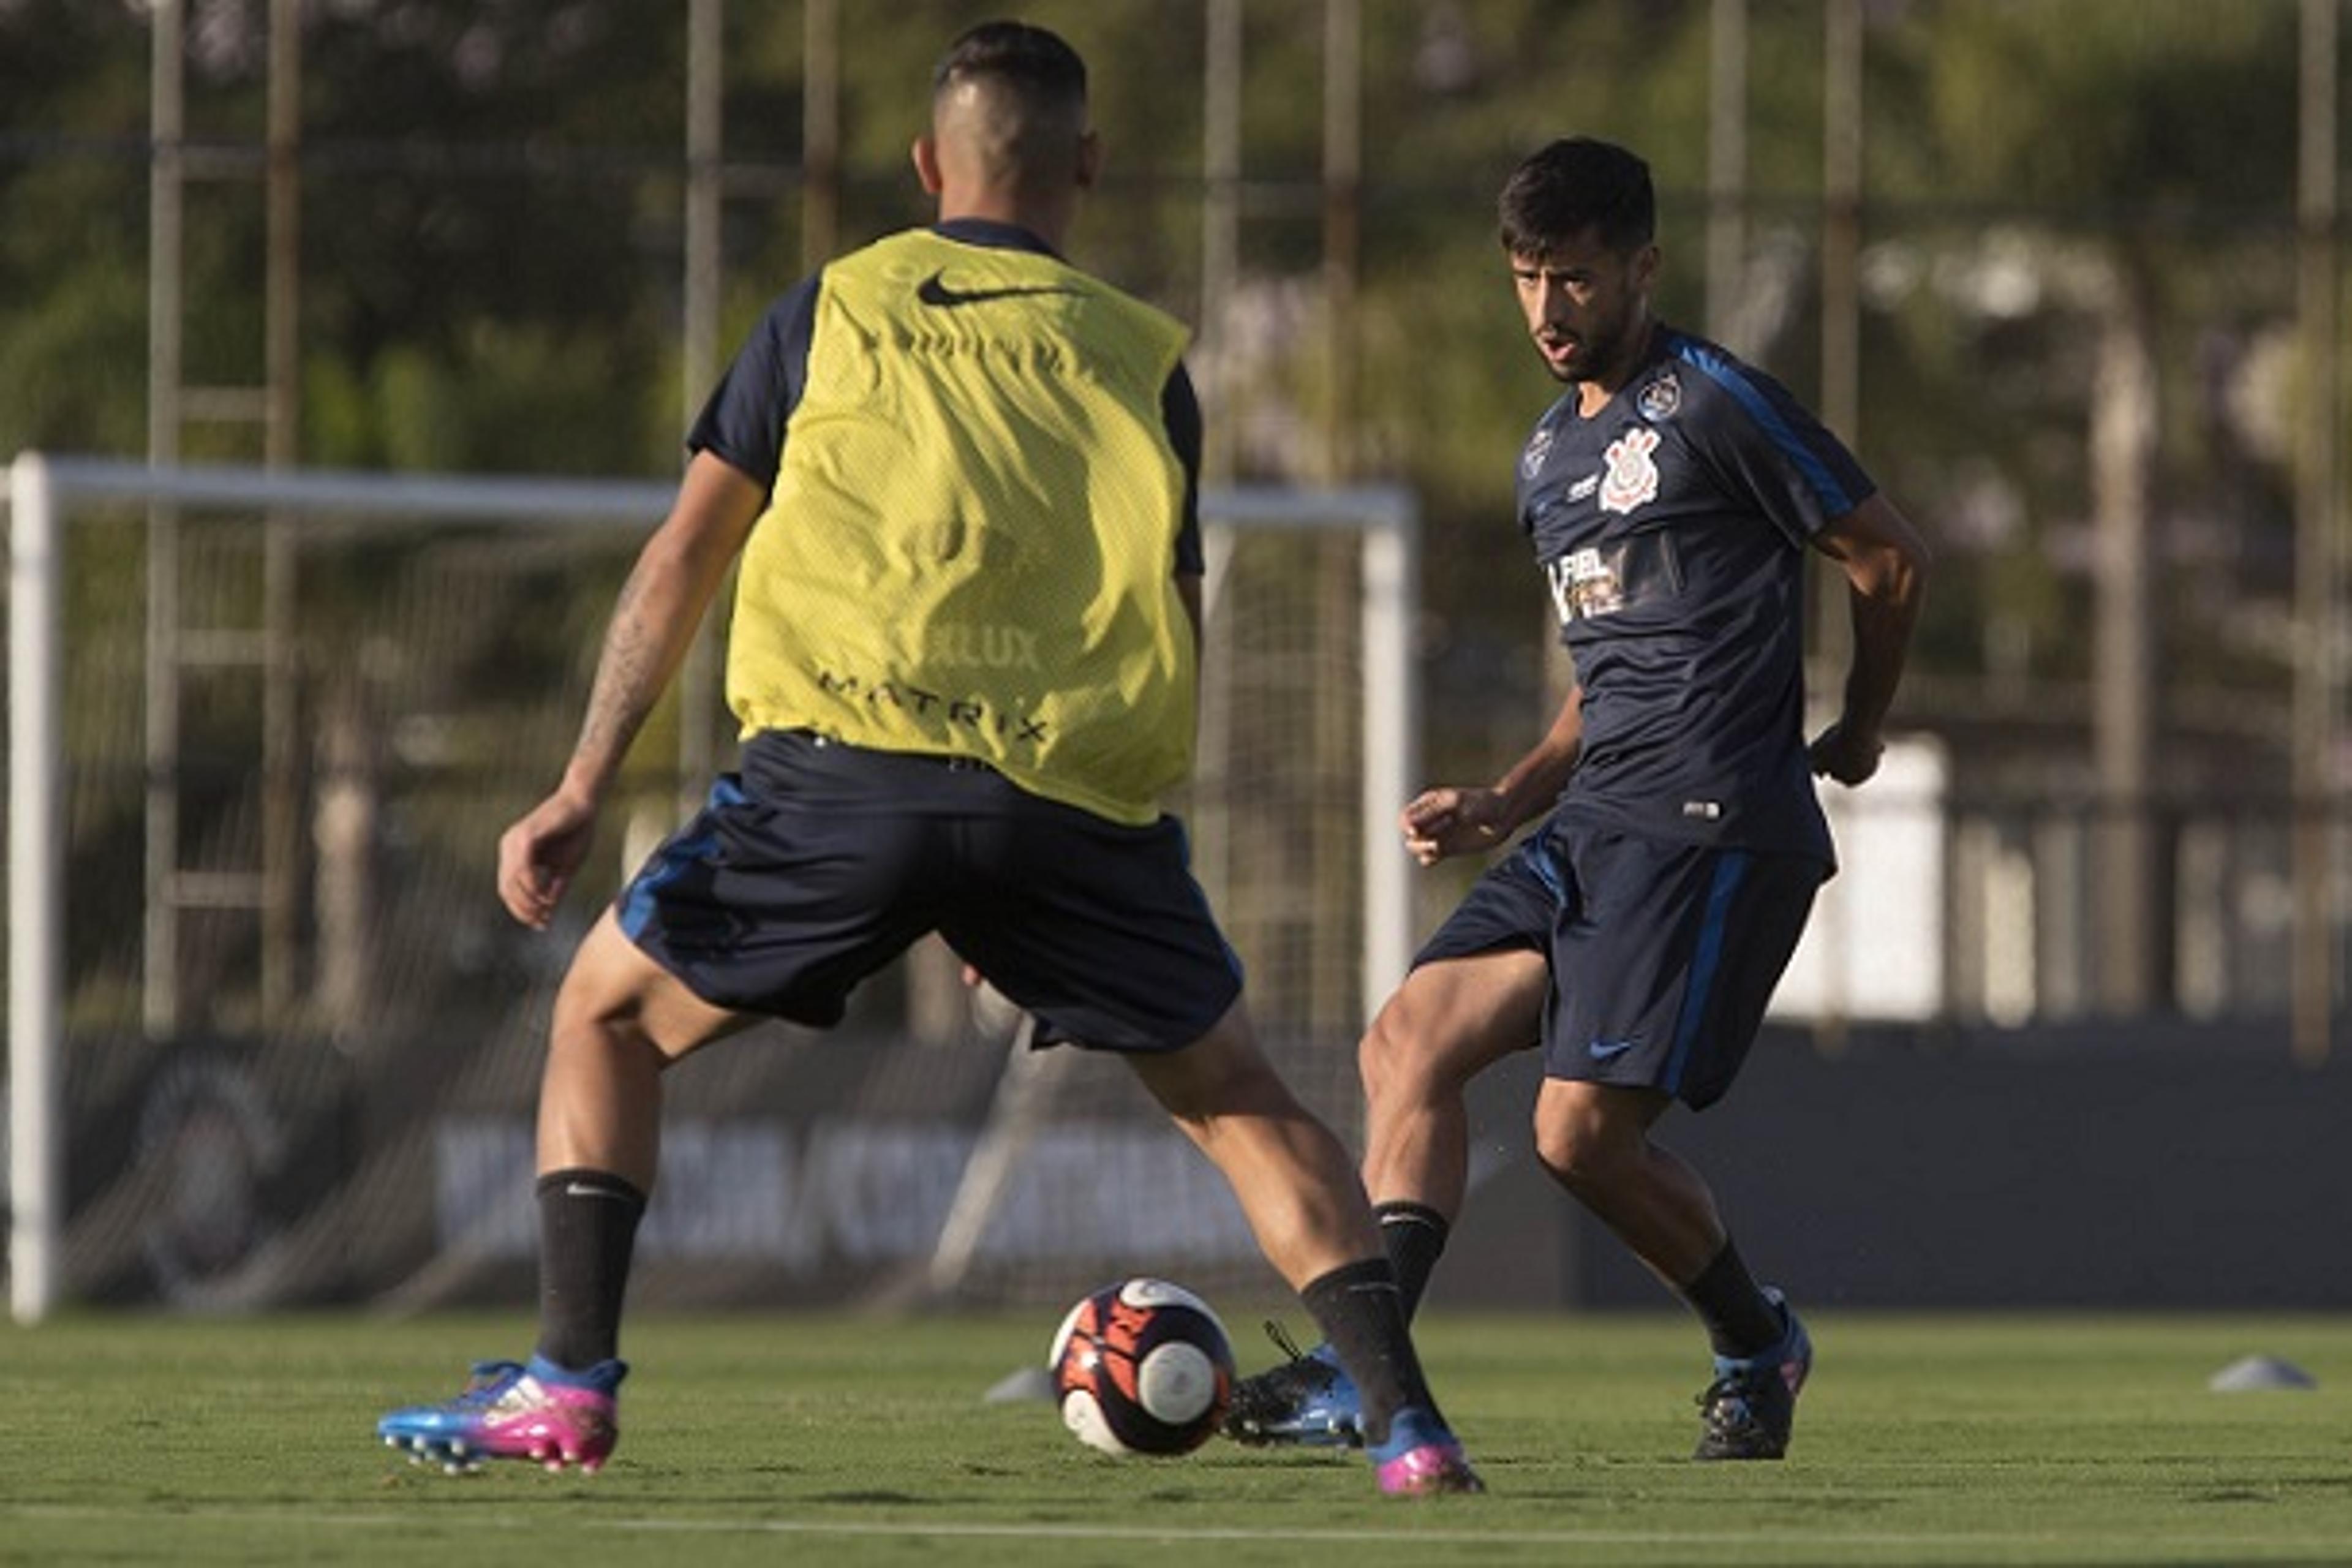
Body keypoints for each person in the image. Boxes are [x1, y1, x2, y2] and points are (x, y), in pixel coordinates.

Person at [373, 20, 1479, 1498]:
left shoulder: (832, 309)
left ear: (921, 166)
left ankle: (567, 1383)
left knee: (605, 1018)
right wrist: (1067, 857)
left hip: (843, 771)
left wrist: (582, 781)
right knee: (1240, 1097)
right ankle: (1407, 1424)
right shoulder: (1146, 359)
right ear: (1086, 161)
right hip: (1069, 798)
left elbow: (683, 556)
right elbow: (1176, 622)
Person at [1223, 135, 1929, 1462]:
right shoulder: (1550, 454)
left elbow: (1889, 556)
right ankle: (1359, 1372)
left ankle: (1755, 1339)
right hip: (1596, 816)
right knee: (1406, 1040)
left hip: (1713, 821)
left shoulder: (1717, 402)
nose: (1550, 310)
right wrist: (1506, 796)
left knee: (1576, 1137)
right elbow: (1604, 674)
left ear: (1644, 269)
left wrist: (1864, 723)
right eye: (1529, 279)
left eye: (1580, 280)